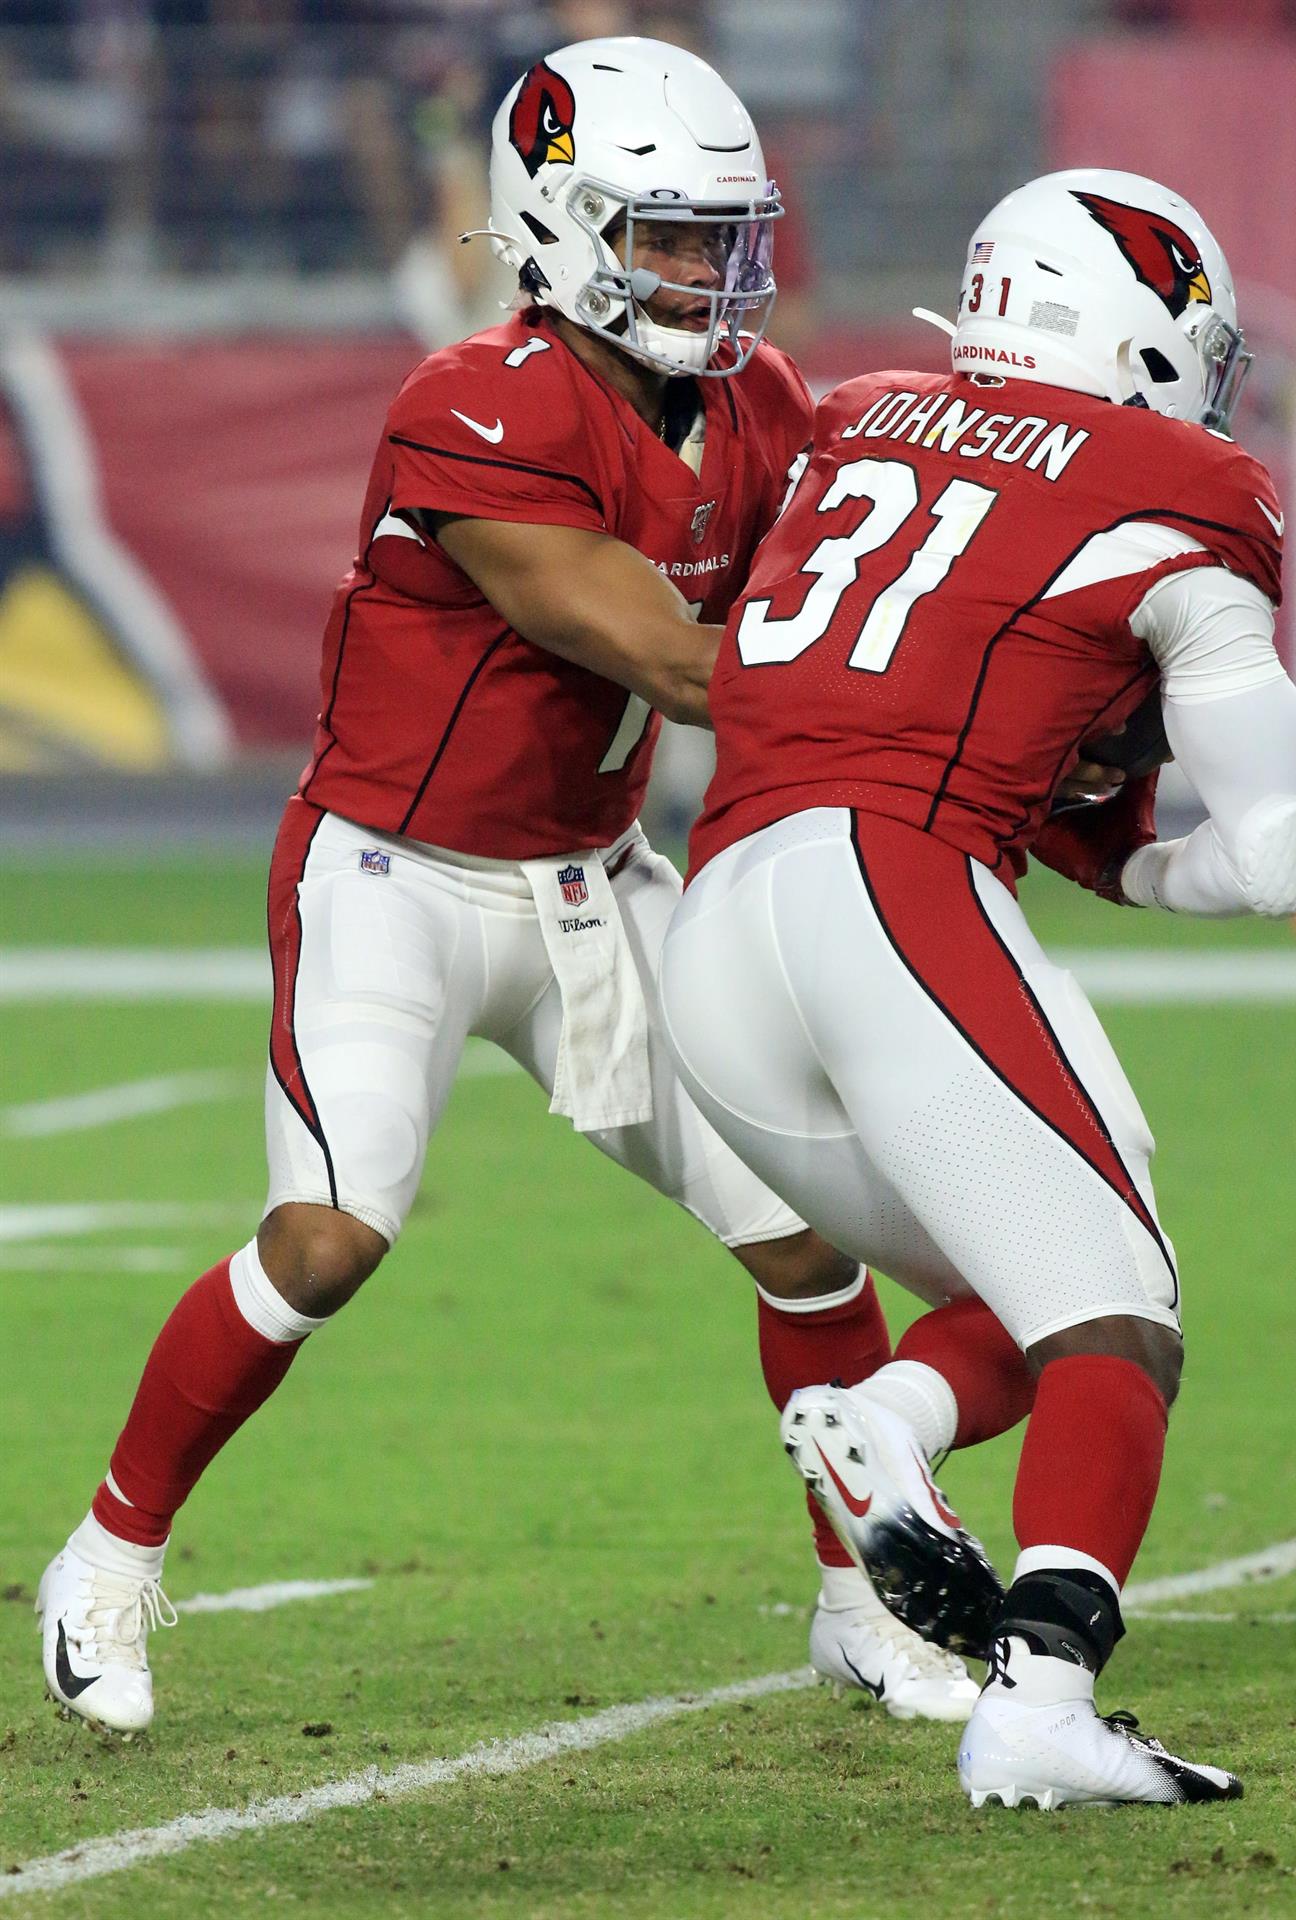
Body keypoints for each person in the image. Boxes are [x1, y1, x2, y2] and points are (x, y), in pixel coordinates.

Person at [35, 35, 990, 1738]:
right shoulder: (479, 403)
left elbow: (862, 550)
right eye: (669, 239)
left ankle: (859, 1606)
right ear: (554, 225)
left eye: (725, 237)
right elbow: (649, 647)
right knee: (328, 1239)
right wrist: (930, 702)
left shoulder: (756, 403)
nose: (709, 275)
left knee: (807, 1235)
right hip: (394, 881)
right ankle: (109, 1554)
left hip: (593, 884)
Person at [657, 168, 1296, 1807]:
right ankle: (1038, 1698)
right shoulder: (1186, 480)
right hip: (888, 881)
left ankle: (887, 1409)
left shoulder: (862, 415)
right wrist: (1139, 858)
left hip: (717, 911)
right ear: (1146, 331)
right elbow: (1280, 853)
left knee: (1023, 1297)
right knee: (1122, 1306)